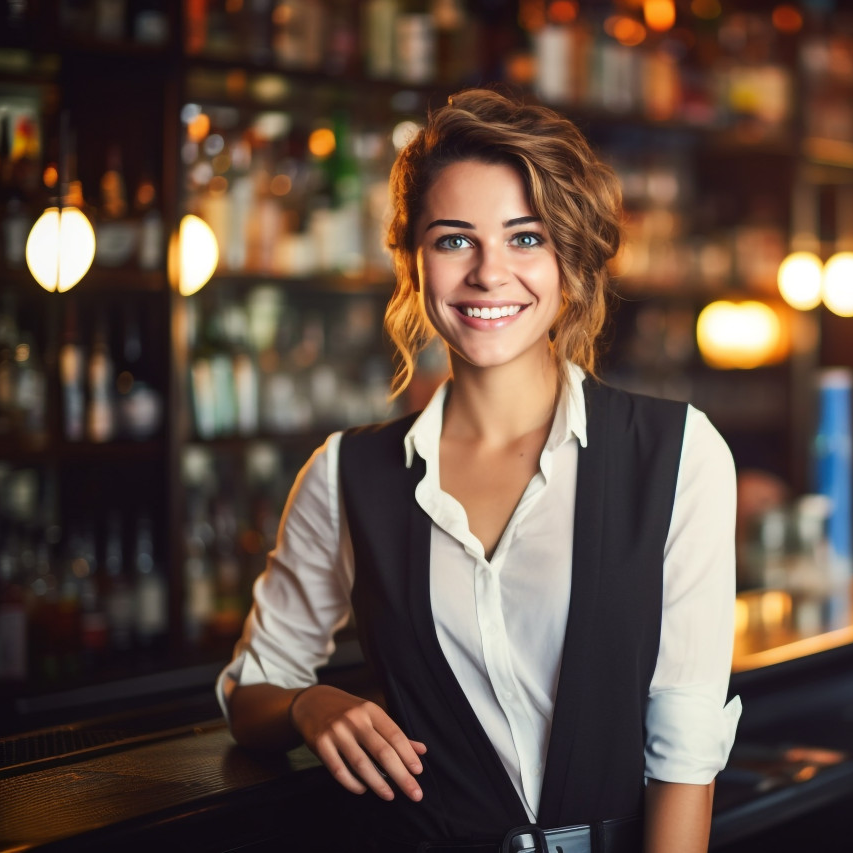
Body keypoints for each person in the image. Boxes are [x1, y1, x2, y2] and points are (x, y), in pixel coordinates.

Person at [217, 88, 741, 853]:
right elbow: (250, 690)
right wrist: (309, 705)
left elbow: (685, 752)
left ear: (571, 257)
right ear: (414, 260)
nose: (490, 274)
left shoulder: (678, 454)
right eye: (455, 240)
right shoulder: (344, 474)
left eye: (525, 238)